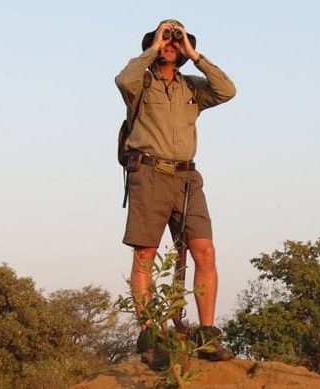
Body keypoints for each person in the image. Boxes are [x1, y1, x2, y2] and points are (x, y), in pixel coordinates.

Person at [115, 19, 236, 368]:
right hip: (149, 173)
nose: (171, 43)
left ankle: (207, 333)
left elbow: (227, 90)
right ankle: (150, 333)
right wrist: (153, 47)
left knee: (205, 251)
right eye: (166, 37)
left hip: (187, 177)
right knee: (145, 255)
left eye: (176, 39)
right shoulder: (140, 82)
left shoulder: (192, 88)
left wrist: (195, 54)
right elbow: (122, 79)